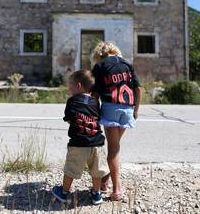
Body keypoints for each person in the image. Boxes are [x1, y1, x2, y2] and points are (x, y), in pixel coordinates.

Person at [91, 42, 141, 201]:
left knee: (113, 149)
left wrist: (92, 112)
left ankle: (117, 189)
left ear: (99, 54)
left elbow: (95, 94)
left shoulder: (101, 66)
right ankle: (105, 180)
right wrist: (136, 110)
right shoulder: (128, 64)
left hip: (111, 107)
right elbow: (138, 89)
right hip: (127, 109)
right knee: (116, 146)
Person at [52, 70, 108, 205]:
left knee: (71, 169)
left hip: (78, 143)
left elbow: (70, 120)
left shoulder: (72, 101)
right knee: (97, 171)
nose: (69, 89)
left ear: (78, 85)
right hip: (97, 143)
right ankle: (96, 194)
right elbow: (97, 118)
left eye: (70, 86)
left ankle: (64, 192)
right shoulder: (95, 102)